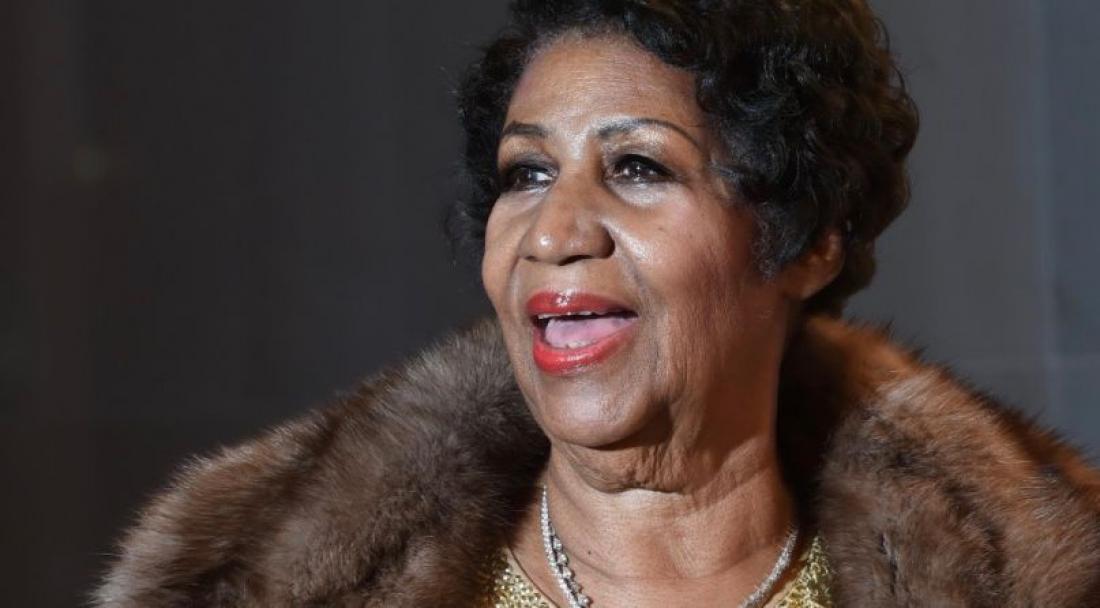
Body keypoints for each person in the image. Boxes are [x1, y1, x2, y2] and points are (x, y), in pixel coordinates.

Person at [94, 1, 1100, 606]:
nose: (554, 231)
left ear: (805, 241)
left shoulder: (1037, 581)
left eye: (636, 166)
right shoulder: (252, 584)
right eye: (526, 173)